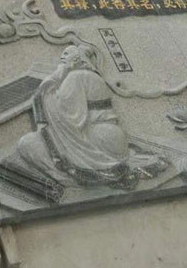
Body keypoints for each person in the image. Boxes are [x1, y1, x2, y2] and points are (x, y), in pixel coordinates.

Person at [16, 45, 169, 189]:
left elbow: (66, 115)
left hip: (97, 139)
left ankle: (68, 179)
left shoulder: (75, 76)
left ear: (77, 59)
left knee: (27, 143)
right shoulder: (94, 77)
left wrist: (56, 75)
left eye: (67, 54)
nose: (62, 57)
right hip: (115, 140)